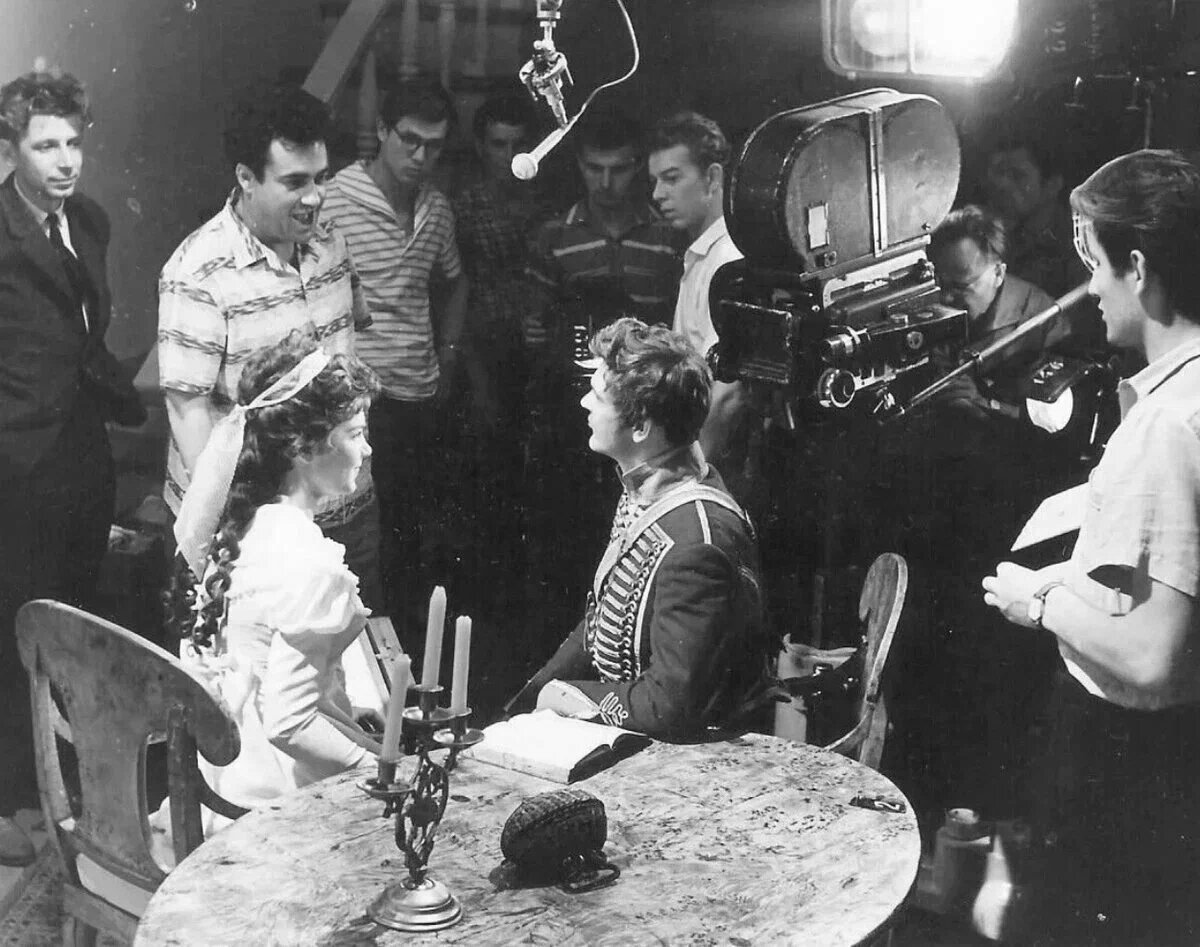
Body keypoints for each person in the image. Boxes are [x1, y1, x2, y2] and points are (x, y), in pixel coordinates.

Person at [982, 149, 1200, 945]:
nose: (1091, 290)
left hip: (1124, 762)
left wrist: (1037, 601)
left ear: (1137, 268)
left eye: (1098, 267)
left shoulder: (1169, 424)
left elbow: (1152, 656)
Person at [157, 84, 382, 608]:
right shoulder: (197, 272)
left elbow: (351, 356)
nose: (315, 197)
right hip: (252, 530)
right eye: (295, 182)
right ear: (245, 177)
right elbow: (188, 413)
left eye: (321, 178)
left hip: (347, 509)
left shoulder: (332, 244)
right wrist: (236, 529)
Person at [0, 70, 141, 866]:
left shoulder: (88, 221)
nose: (65, 161)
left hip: (82, 455)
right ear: (11, 148)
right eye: (45, 145)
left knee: (75, 621)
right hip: (15, 465)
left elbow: (86, 335)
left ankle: (66, 788)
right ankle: (10, 795)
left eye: (73, 143)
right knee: (12, 628)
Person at [510, 318, 769, 741]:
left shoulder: (697, 542)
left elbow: (669, 708)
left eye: (597, 397)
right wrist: (526, 704)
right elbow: (601, 623)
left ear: (641, 427)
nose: (584, 404)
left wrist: (568, 697)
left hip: (693, 756)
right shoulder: (652, 485)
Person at [166, 333, 383, 827]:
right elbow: (291, 723)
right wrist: (375, 770)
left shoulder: (242, 527)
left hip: (226, 777)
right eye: (355, 434)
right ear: (303, 447)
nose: (366, 449)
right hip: (275, 804)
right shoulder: (308, 562)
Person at [322, 78, 467, 627]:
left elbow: (456, 281)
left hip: (419, 395)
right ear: (382, 131)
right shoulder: (332, 200)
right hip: (355, 400)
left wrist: (448, 355)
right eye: (410, 140)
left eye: (434, 145)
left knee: (410, 536)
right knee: (354, 539)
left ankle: (401, 655)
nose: (421, 156)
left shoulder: (437, 209)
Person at [647, 111, 749, 478]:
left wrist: (685, 481)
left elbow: (728, 393)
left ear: (712, 178)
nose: (658, 194)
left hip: (716, 467)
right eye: (655, 181)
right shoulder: (704, 255)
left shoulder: (726, 261)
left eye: (672, 178)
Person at [452, 91, 547, 434]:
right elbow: (457, 292)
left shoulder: (547, 204)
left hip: (542, 342)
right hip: (485, 347)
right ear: (481, 147)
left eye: (519, 145)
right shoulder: (463, 207)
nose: (510, 157)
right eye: (498, 145)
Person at [927, 203, 1063, 423]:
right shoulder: (936, 306)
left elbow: (1055, 420)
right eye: (942, 284)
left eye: (960, 287)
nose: (947, 298)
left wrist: (985, 403)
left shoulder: (1042, 320)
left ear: (998, 273)